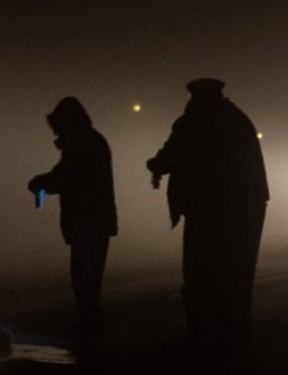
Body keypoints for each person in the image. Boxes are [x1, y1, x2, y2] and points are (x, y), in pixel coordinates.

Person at [146, 78, 269, 356]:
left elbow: (173, 153)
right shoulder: (237, 119)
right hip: (248, 206)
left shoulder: (196, 120)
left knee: (200, 272)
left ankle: (203, 335)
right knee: (236, 271)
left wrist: (154, 165)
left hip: (211, 208)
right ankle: (235, 333)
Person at [28, 97, 117, 348]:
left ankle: (90, 329)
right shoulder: (89, 140)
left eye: (58, 125)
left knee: (84, 278)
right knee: (87, 278)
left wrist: (39, 183)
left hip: (89, 221)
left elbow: (65, 176)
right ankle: (89, 325)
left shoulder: (82, 143)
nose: (55, 131)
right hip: (94, 220)